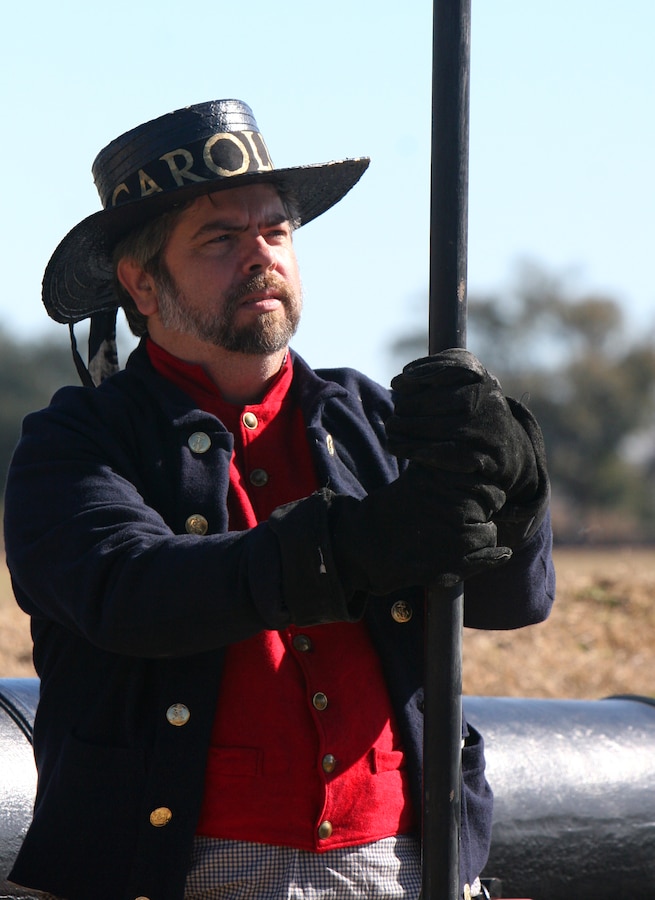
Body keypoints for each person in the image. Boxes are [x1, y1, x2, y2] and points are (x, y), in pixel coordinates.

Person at [3, 99, 555, 900]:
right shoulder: (76, 444)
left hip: (407, 862)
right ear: (142, 283)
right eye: (220, 239)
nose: (261, 257)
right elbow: (133, 593)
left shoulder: (373, 418)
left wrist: (514, 487)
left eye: (276, 232)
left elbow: (512, 598)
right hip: (187, 872)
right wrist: (353, 547)